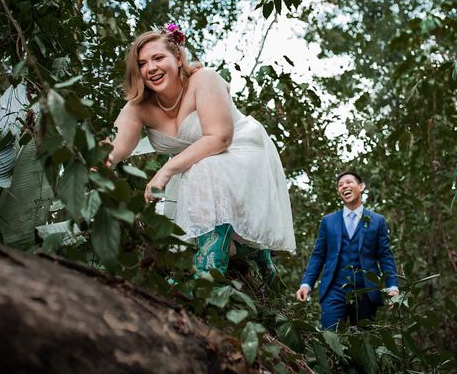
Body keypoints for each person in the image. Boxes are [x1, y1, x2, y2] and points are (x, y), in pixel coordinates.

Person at [108, 23, 295, 285]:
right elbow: (114, 148)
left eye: (158, 58)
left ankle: (207, 276)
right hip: (193, 166)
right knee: (180, 224)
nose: (150, 68)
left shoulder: (203, 79)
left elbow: (220, 138)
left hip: (239, 148)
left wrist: (166, 170)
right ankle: (253, 252)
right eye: (142, 63)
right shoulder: (138, 107)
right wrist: (94, 163)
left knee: (205, 170)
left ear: (178, 56)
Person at [295, 171, 399, 330]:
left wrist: (393, 287)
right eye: (340, 185)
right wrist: (306, 285)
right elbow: (318, 256)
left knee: (364, 343)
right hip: (334, 291)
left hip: (366, 292)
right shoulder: (328, 221)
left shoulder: (377, 221)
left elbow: (385, 256)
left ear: (361, 187)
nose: (344, 186)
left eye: (349, 182)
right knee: (331, 340)